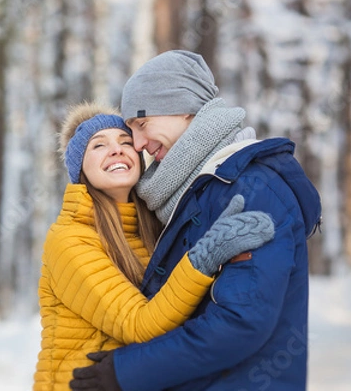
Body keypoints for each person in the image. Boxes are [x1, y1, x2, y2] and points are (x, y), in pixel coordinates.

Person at [70, 50, 322, 391]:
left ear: (185, 108)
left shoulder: (250, 190)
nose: (140, 145)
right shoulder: (198, 190)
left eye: (142, 125)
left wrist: (127, 371)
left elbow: (241, 321)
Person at [33, 102, 275, 390]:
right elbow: (140, 323)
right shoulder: (70, 239)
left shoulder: (152, 228)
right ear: (79, 169)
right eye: (99, 146)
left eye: (125, 141)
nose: (117, 149)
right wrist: (205, 257)